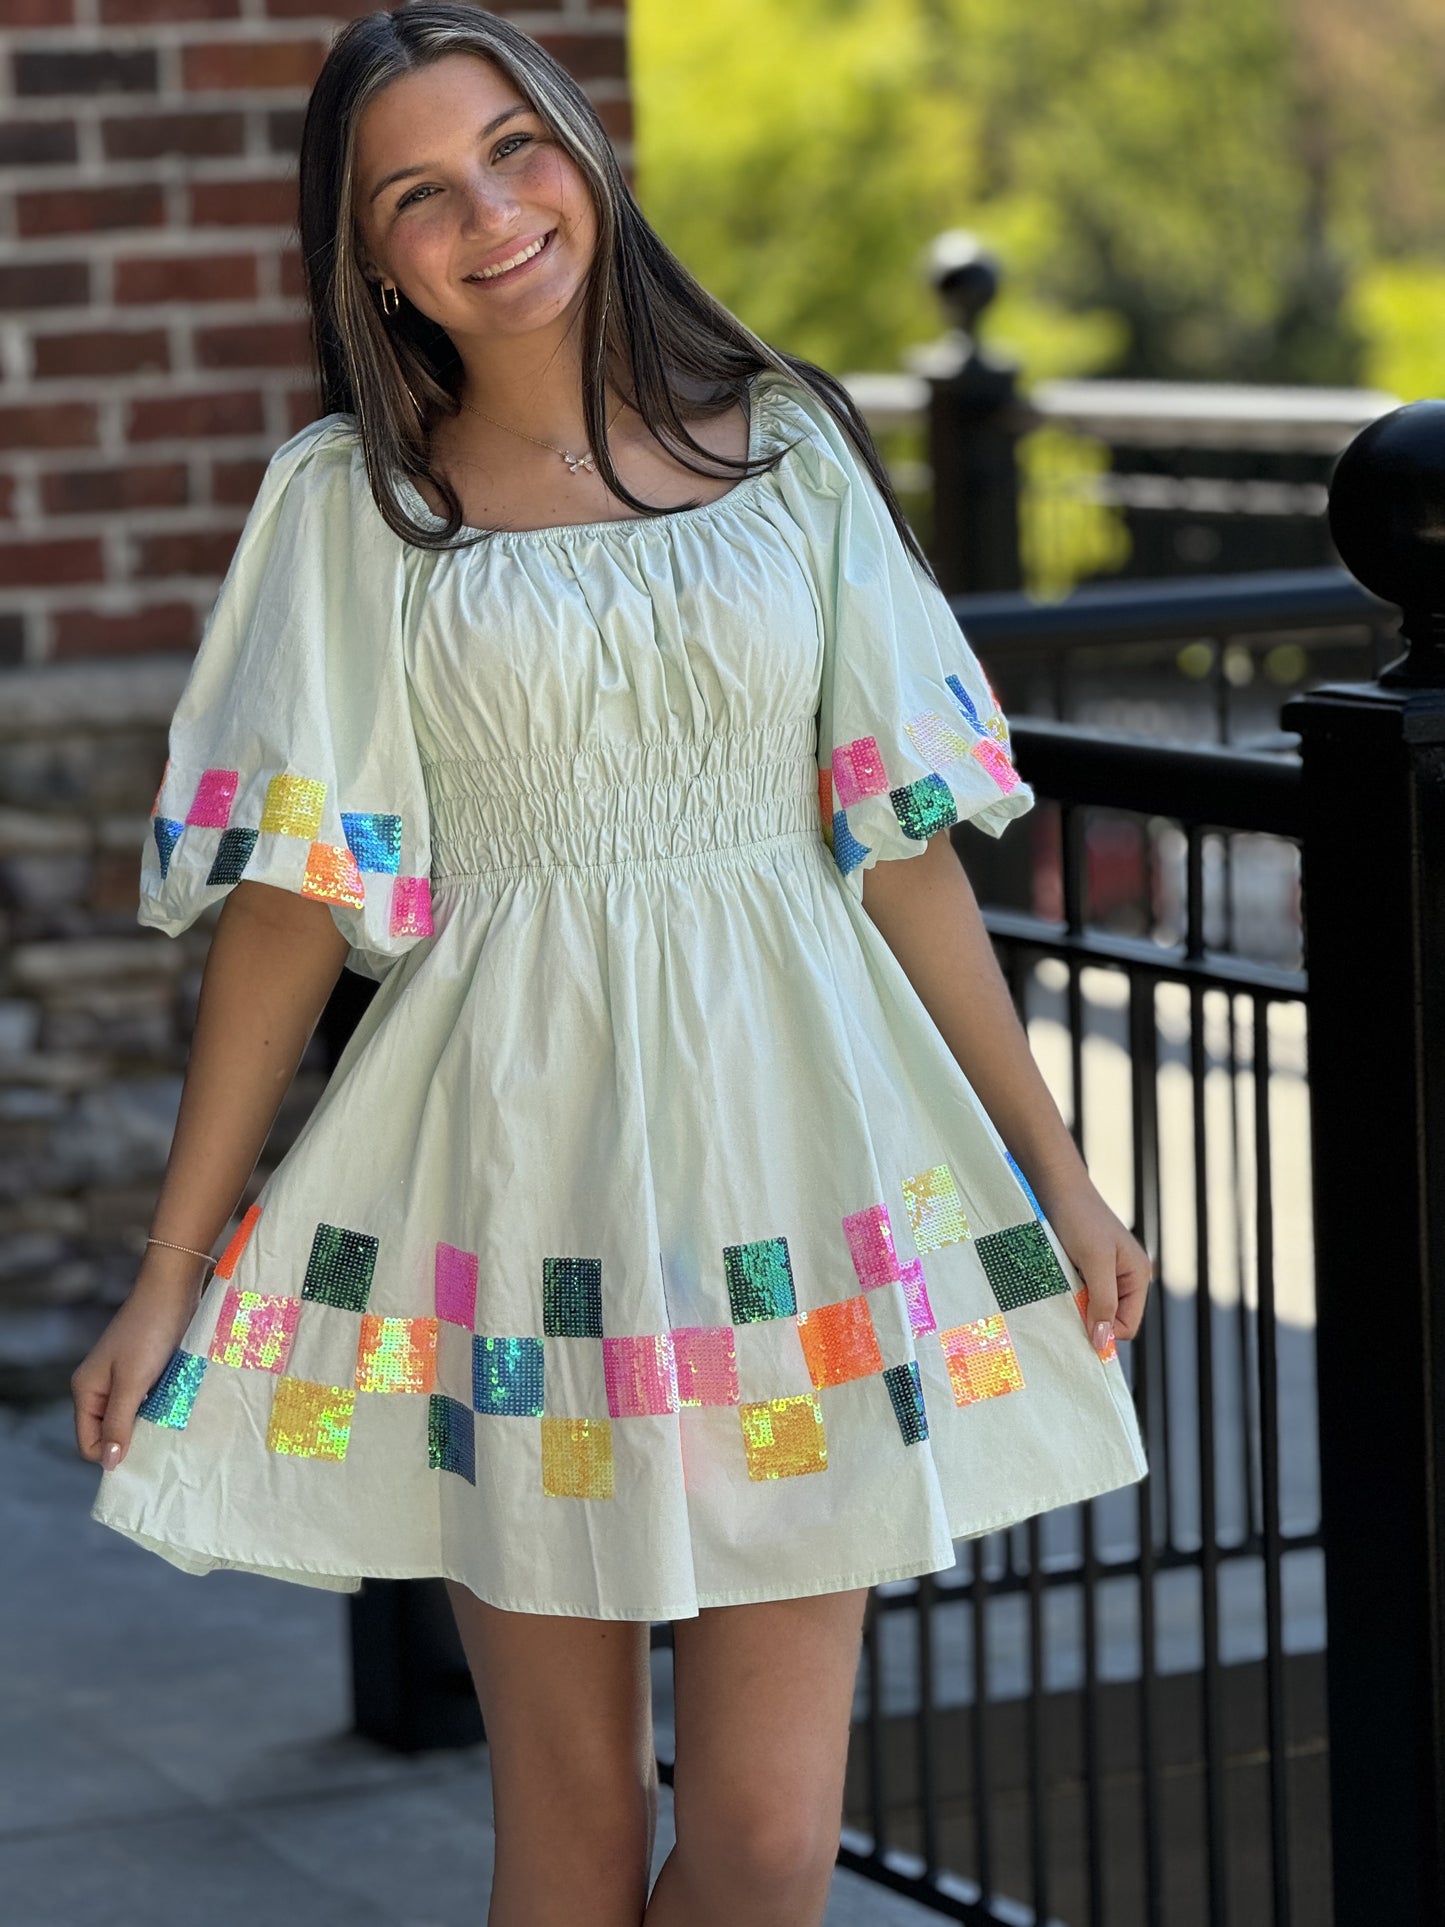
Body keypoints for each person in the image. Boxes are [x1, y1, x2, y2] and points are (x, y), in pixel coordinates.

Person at [72, 8, 1151, 1924]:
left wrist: (1053, 1173)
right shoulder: (357, 509)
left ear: (580, 144)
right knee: (564, 1849)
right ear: (367, 257)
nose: (490, 214)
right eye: (419, 194)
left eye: (514, 148)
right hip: (510, 1166)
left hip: (792, 1170)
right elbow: (289, 910)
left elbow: (893, 856)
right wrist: (174, 1269)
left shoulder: (790, 453)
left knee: (759, 1844)